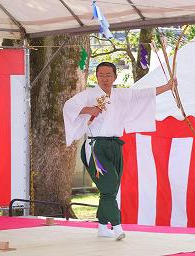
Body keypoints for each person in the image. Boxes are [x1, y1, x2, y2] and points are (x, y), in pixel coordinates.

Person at [63, 62, 176, 241]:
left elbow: (144, 95)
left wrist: (168, 87)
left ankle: (101, 226)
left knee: (112, 188)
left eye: (109, 75)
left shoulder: (122, 94)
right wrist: (89, 109)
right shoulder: (89, 95)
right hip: (95, 147)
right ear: (96, 76)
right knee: (109, 187)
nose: (105, 78)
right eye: (101, 75)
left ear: (115, 76)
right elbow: (69, 107)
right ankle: (116, 226)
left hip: (115, 145)